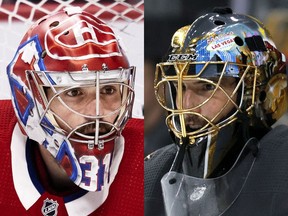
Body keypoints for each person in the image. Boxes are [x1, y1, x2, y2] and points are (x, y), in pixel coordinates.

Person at [144, 7, 288, 216]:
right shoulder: (152, 172)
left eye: (207, 87)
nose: (187, 104)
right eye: (181, 87)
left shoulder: (281, 165)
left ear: (257, 92)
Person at [1, 6, 143, 215]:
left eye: (109, 89)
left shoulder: (149, 164)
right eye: (74, 92)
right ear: (31, 100)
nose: (97, 111)